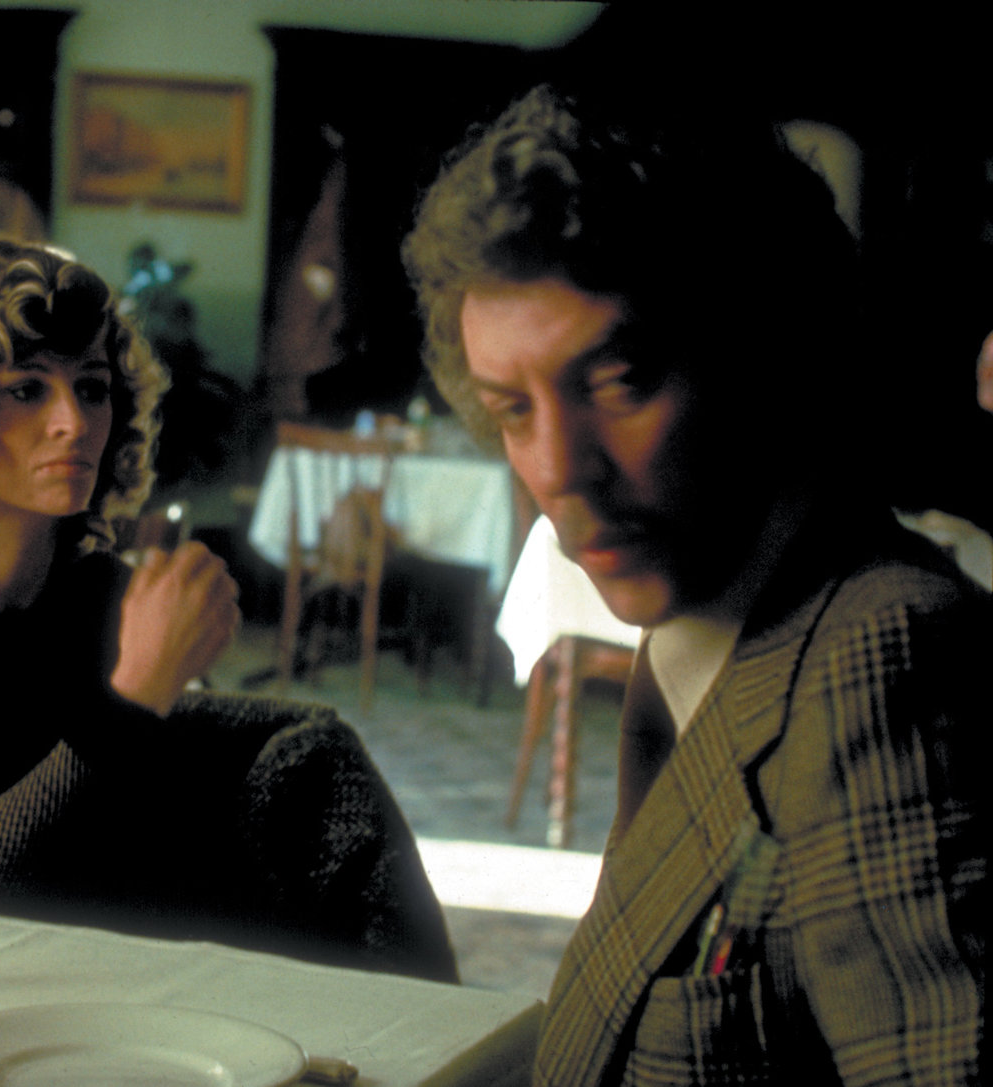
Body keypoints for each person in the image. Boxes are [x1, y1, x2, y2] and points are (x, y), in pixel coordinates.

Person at [405, 84, 987, 1083]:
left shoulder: (881, 658)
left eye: (618, 381)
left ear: (771, 352)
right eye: (512, 409)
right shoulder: (697, 632)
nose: (560, 470)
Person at [0, 236, 456, 982]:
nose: (74, 423)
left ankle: (426, 1029)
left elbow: (125, 818)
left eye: (93, 389)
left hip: (81, 967)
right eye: (28, 390)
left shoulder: (103, 594)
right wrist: (137, 693)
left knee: (312, 754)